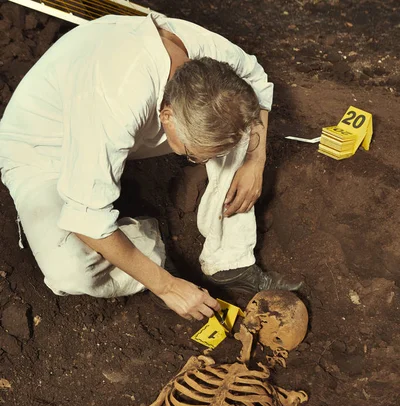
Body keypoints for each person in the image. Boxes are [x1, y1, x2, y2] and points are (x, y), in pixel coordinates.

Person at [0, 11, 301, 321]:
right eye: (194, 157)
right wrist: (167, 286)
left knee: (236, 124)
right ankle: (148, 246)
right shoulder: (115, 101)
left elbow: (257, 83)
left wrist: (254, 161)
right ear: (168, 116)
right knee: (70, 271)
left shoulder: (212, 59)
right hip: (43, 149)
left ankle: (230, 259)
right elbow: (85, 218)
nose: (208, 163)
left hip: (125, 124)